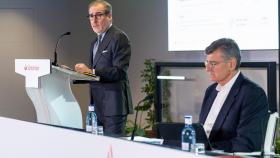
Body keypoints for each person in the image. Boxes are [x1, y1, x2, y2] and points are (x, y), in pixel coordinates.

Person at [199, 38, 269, 152]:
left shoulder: (252, 94)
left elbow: (247, 144)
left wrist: (206, 149)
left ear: (231, 64)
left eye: (213, 63)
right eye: (207, 63)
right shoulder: (210, 91)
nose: (207, 69)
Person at [75, 0, 133, 136]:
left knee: (112, 151)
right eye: (91, 16)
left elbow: (119, 72)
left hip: (113, 108)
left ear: (109, 16)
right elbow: (94, 76)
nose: (94, 20)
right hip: (97, 108)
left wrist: (91, 71)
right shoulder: (94, 42)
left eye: (98, 15)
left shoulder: (119, 37)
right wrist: (73, 74)